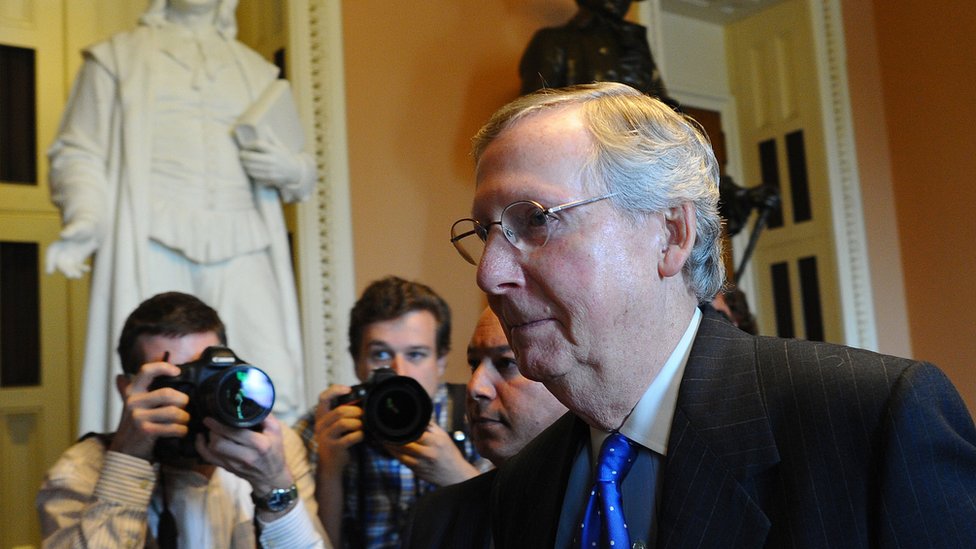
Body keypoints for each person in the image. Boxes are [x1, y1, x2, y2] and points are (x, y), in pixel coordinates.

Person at [448, 82, 976, 548]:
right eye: (483, 233)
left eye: (534, 221)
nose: (489, 273)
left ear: (671, 233)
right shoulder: (524, 484)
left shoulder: (869, 423)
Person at [45, 0, 315, 434]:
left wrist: (291, 169)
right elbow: (80, 151)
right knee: (160, 381)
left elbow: (301, 167)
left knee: (270, 379)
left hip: (244, 240)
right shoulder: (118, 58)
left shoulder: (255, 70)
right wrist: (84, 219)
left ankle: (264, 487)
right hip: (153, 237)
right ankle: (153, 486)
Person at [36, 292, 329, 548]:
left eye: (207, 377)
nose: (197, 397)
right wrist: (127, 460)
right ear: (128, 390)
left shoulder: (272, 448)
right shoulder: (79, 471)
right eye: (176, 380)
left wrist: (273, 485)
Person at [294, 276, 487, 548]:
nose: (400, 372)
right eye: (381, 355)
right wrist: (330, 470)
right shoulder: (324, 425)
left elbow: (516, 534)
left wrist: (458, 476)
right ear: (357, 361)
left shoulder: (478, 414)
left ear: (441, 361)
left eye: (416, 354)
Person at [402, 307, 567, 548]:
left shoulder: (607, 505)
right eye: (473, 364)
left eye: (506, 363)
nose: (474, 387)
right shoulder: (431, 519)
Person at [519, 0, 671, 105]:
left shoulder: (635, 44)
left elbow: (661, 104)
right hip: (580, 143)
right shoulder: (554, 40)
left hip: (637, 146)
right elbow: (534, 109)